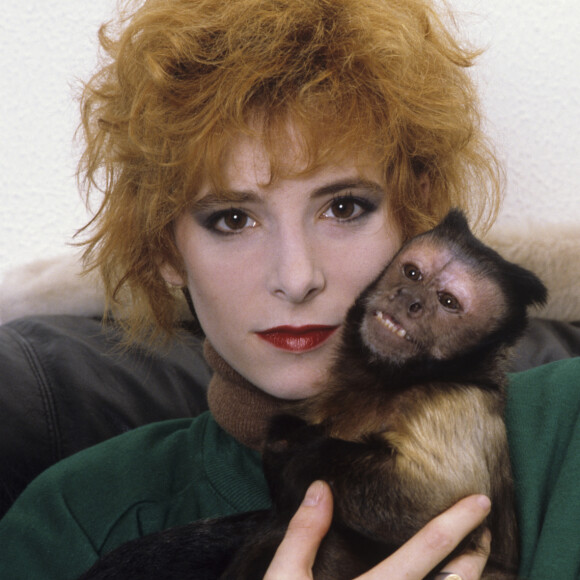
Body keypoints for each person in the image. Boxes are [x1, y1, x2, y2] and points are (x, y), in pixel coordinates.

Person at [1, 0, 579, 578]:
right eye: (232, 219)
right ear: (166, 250)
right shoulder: (75, 520)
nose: (297, 278)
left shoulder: (565, 431)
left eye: (344, 207)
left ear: (415, 214)